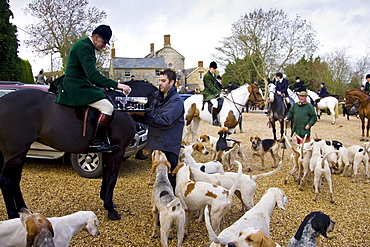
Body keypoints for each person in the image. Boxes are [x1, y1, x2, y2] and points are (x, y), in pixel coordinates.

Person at [55, 24, 131, 152]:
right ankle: (97, 141)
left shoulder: (84, 45)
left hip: (79, 82)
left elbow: (88, 75)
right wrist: (118, 85)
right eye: (103, 41)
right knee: (107, 107)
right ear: (96, 37)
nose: (104, 45)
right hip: (75, 85)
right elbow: (92, 74)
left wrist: (102, 85)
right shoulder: (85, 48)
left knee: (102, 94)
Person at [132, 68, 184, 189]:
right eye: (159, 80)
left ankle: (174, 205)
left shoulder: (176, 101)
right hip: (157, 144)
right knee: (159, 180)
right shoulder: (157, 98)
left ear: (171, 82)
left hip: (169, 146)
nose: (160, 83)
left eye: (163, 81)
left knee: (170, 181)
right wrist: (134, 115)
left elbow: (165, 121)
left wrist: (143, 116)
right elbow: (149, 116)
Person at [201, 61, 222, 126]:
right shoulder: (206, 76)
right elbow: (210, 87)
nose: (215, 70)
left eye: (215, 69)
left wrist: (221, 92)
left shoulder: (214, 75)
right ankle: (214, 119)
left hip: (213, 93)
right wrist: (218, 92)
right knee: (215, 102)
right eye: (213, 69)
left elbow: (215, 86)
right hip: (208, 93)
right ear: (210, 68)